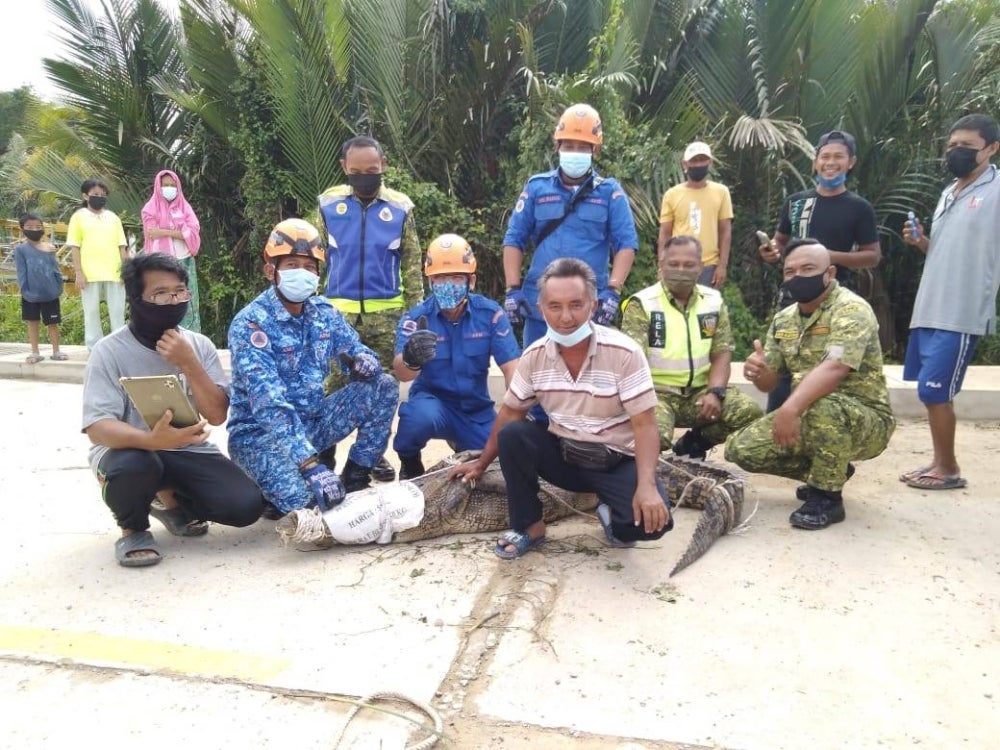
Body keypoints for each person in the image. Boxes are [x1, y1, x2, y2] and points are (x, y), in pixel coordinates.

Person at [450, 258, 673, 559]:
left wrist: (646, 485)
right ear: (542, 309)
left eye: (576, 305)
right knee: (515, 434)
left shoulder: (625, 353)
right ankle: (529, 526)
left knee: (651, 526)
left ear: (593, 306)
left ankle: (609, 513)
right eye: (555, 306)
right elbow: (509, 415)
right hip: (565, 457)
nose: (565, 317)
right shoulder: (534, 357)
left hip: (616, 461)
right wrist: (481, 463)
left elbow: (645, 425)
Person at [81, 254, 264, 568]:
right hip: (130, 452)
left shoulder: (199, 345)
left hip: (187, 448)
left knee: (246, 506)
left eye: (180, 292)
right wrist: (151, 439)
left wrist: (188, 363)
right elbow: (97, 427)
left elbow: (218, 415)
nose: (173, 300)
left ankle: (168, 501)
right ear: (135, 299)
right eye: (161, 293)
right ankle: (133, 529)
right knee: (133, 466)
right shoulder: (109, 351)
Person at [227, 218, 398, 518]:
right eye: (292, 264)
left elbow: (353, 349)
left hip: (313, 424)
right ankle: (273, 486)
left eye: (309, 267)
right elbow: (269, 404)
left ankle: (356, 477)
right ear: (271, 271)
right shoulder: (250, 323)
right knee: (314, 511)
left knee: (383, 385)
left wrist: (362, 361)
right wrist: (310, 464)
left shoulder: (324, 313)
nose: (302, 274)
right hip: (261, 437)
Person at [725, 240, 895, 530]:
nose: (798, 277)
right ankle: (829, 469)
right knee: (740, 449)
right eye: (790, 271)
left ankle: (827, 497)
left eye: (807, 269)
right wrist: (759, 371)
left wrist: (789, 409)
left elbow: (836, 367)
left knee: (820, 404)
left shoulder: (850, 309)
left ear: (829, 273)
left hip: (865, 419)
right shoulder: (784, 319)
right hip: (810, 415)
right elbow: (770, 383)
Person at [900, 113, 1000, 490]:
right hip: (929, 307)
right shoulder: (948, 192)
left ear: (991, 149)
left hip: (961, 312)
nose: (956, 152)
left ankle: (949, 469)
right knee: (931, 393)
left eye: (967, 147)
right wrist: (921, 241)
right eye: (952, 145)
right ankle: (939, 461)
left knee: (934, 392)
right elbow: (942, 251)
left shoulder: (996, 190)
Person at [317, 135, 422, 482]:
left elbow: (411, 264)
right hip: (336, 318)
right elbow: (315, 261)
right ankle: (323, 458)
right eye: (357, 171)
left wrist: (414, 318)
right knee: (331, 387)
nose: (365, 177)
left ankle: (371, 456)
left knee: (381, 391)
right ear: (345, 168)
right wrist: (313, 312)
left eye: (373, 170)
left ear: (384, 167)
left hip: (386, 318)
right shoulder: (328, 206)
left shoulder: (401, 208)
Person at [757, 130, 880, 411]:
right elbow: (780, 243)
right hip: (793, 298)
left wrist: (824, 257)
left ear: (851, 162)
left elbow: (872, 255)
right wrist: (770, 252)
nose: (830, 162)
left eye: (838, 156)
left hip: (834, 298)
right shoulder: (797, 202)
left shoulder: (859, 208)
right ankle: (776, 426)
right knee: (784, 366)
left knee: (827, 367)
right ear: (815, 162)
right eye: (825, 156)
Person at [502, 103, 639, 346]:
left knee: (589, 375)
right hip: (540, 303)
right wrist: (512, 288)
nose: (574, 151)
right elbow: (514, 239)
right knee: (538, 371)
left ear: (595, 149)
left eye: (582, 146)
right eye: (568, 145)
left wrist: (613, 290)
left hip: (588, 304)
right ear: (557, 146)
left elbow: (626, 244)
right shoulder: (536, 188)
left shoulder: (610, 193)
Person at [392, 234, 521, 479]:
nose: (447, 283)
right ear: (430, 281)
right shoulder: (415, 319)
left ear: (470, 280)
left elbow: (511, 368)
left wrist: (516, 413)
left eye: (455, 277)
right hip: (433, 404)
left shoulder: (490, 314)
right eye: (439, 277)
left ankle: (466, 444)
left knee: (501, 458)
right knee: (416, 419)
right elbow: (402, 372)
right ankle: (409, 461)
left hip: (476, 410)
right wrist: (411, 358)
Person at [621, 236, 761, 458]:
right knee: (655, 438)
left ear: (700, 267)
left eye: (688, 265)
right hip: (657, 395)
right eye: (673, 264)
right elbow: (631, 363)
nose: (681, 270)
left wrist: (715, 392)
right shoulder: (642, 303)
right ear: (662, 265)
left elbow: (722, 352)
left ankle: (694, 444)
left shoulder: (713, 301)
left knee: (749, 412)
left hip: (700, 394)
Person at [656, 141, 733, 288]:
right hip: (678, 265)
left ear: (709, 163)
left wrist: (722, 266)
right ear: (685, 164)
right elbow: (665, 233)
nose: (698, 165)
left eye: (702, 160)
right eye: (694, 161)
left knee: (705, 309)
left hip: (708, 266)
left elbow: (725, 231)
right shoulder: (671, 195)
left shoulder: (721, 192)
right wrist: (662, 266)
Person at [66, 177, 129, 349]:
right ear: (85, 196)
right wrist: (78, 272)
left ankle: (120, 345)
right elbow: (75, 246)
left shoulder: (113, 218)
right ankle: (94, 347)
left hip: (114, 271)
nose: (100, 197)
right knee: (91, 312)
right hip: (89, 272)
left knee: (117, 312)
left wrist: (126, 270)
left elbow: (122, 246)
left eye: (102, 194)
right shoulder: (78, 217)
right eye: (95, 194)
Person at [141, 169, 202, 332]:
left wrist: (165, 231)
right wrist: (179, 233)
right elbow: (151, 233)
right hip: (160, 264)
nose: (169, 188)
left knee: (185, 299)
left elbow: (193, 232)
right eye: (165, 185)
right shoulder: (150, 208)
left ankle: (190, 335)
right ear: (158, 187)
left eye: (172, 185)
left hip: (184, 261)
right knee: (162, 299)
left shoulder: (185, 208)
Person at [14, 213, 67, 363]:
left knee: (53, 323)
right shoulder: (20, 250)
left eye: (38, 226)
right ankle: (35, 352)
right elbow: (21, 272)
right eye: (29, 227)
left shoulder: (50, 248)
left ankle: (56, 351)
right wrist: (24, 291)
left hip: (51, 293)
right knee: (32, 322)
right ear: (22, 228)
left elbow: (56, 269)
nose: (34, 229)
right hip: (30, 294)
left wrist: (58, 287)